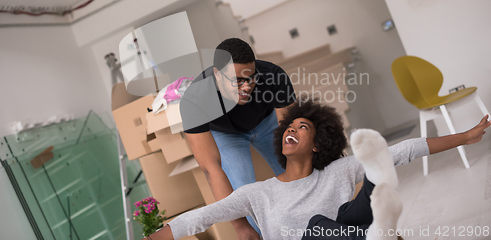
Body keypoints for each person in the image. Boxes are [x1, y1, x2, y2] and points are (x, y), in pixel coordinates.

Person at [145, 99, 490, 240]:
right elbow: (200, 217)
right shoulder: (258, 194)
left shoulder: (337, 171)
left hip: (347, 233)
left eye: (303, 128)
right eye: (289, 127)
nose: (292, 130)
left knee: (371, 175)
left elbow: (404, 150)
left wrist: (466, 136)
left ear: (318, 144)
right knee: (316, 226)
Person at [179, 38, 296, 239]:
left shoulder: (272, 75)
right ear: (217, 75)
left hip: (267, 121)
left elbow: (295, 137)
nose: (246, 87)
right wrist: (240, 226)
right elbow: (211, 169)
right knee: (243, 193)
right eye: (237, 81)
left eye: (251, 78)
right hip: (226, 133)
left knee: (298, 174)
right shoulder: (194, 100)